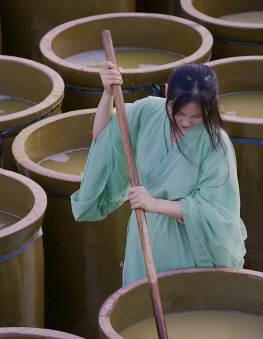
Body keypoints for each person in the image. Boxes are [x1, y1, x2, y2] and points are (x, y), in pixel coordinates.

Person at [71, 61, 247, 286]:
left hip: (188, 244)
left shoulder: (215, 143)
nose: (185, 122)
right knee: (140, 310)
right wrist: (107, 94)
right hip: (144, 236)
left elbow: (216, 212)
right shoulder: (148, 112)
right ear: (167, 94)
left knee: (183, 309)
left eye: (196, 117)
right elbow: (103, 135)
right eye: (179, 113)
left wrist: (153, 204)